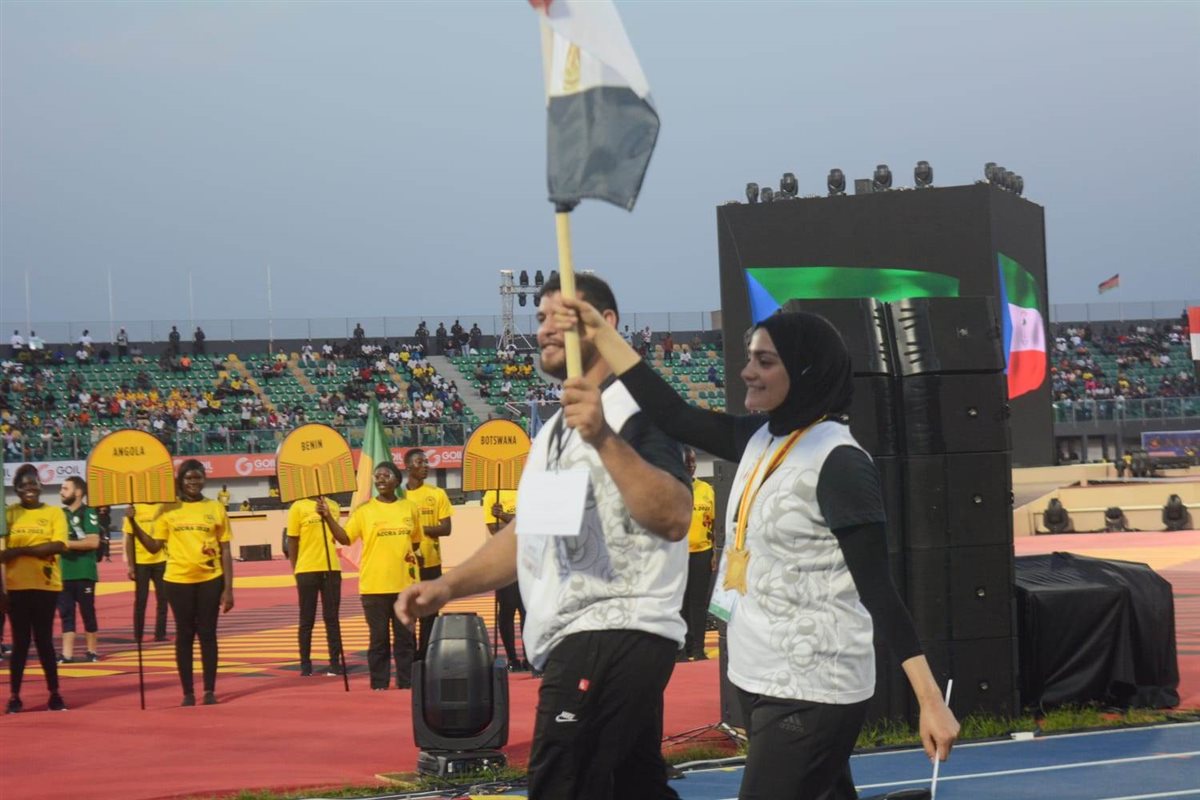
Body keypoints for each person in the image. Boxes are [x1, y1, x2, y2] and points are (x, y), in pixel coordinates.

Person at [555, 297, 961, 799]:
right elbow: (674, 414)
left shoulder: (840, 463)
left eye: (765, 361)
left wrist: (929, 700)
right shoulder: (759, 437)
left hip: (813, 685)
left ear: (806, 371)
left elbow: (880, 591)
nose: (747, 371)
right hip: (760, 674)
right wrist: (602, 334)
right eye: (749, 358)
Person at [397, 272, 693, 800]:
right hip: (581, 637)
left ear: (606, 324)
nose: (544, 330)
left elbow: (673, 516)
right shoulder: (555, 430)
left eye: (561, 318)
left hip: (612, 628)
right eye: (539, 319)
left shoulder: (636, 408)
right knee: (632, 787)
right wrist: (447, 586)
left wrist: (602, 437)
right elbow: (530, 533)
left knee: (560, 784)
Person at [128, 460, 234, 706]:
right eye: (188, 478)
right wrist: (133, 524)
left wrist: (228, 589)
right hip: (177, 581)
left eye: (198, 478)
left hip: (211, 579)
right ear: (180, 481)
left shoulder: (216, 507)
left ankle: (209, 690)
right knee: (184, 635)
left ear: (204, 479)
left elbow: (226, 549)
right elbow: (154, 546)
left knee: (208, 634)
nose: (193, 483)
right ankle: (188, 692)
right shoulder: (167, 509)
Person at [318, 463, 422, 689]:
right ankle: (379, 683)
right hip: (374, 587)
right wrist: (327, 518)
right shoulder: (364, 511)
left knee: (405, 639)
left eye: (386, 475)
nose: (380, 479)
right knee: (378, 639)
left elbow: (415, 542)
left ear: (397, 480)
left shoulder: (410, 508)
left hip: (405, 586)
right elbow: (345, 538)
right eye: (377, 476)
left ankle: (407, 682)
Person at [3, 463, 69, 713]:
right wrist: (36, 549)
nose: (29, 488)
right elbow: (2, 554)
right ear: (16, 489)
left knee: (44, 641)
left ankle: (55, 693)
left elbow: (57, 545)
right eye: (24, 485)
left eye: (33, 483)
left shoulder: (54, 513)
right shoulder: (8, 514)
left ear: (40, 486)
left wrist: (20, 550)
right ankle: (14, 696)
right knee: (20, 643)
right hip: (16, 587)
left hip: (45, 585)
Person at [286, 495, 344, 677]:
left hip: (331, 568)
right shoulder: (298, 506)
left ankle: (335, 663)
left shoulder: (333, 505)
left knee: (332, 618)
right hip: (307, 569)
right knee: (306, 619)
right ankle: (305, 664)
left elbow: (337, 534)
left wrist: (327, 514)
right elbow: (292, 540)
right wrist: (296, 569)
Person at [403, 448, 452, 658]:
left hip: (431, 563)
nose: (425, 466)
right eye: (419, 462)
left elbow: (446, 528)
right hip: (406, 565)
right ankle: (410, 655)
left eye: (426, 462)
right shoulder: (399, 496)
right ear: (407, 466)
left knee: (430, 613)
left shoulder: (437, 493)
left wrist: (418, 529)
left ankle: (425, 655)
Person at [57, 477, 102, 664]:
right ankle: (67, 654)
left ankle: (92, 651)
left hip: (84, 572)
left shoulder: (88, 512)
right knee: (66, 613)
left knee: (87, 612)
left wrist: (66, 544)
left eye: (65, 488)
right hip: (63, 573)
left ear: (78, 492)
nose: (61, 492)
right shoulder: (59, 514)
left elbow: (93, 542)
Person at [484, 489, 526, 671]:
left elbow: (533, 525)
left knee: (528, 611)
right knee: (507, 610)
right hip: (504, 561)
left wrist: (504, 516)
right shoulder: (492, 495)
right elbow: (495, 530)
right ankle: (512, 659)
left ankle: (530, 658)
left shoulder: (529, 489)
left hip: (529, 560)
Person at [680, 447, 715, 662]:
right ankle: (683, 650)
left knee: (699, 603)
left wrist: (714, 553)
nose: (691, 466)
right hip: (678, 554)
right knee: (681, 604)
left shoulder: (707, 489)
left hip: (702, 552)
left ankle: (699, 649)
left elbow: (715, 522)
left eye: (693, 463)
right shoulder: (671, 487)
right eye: (687, 463)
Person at [123, 502, 170, 643]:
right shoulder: (134, 508)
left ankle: (160, 634)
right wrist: (131, 565)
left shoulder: (163, 507)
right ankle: (138, 635)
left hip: (161, 560)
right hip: (141, 562)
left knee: (163, 599)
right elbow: (129, 539)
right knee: (140, 600)